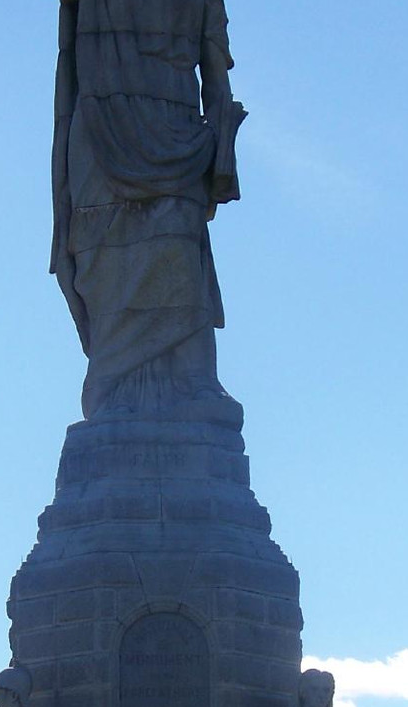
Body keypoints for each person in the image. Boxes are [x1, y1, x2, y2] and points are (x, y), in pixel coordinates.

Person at [50, 0, 246, 419]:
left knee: (178, 252)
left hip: (175, 124)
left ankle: (194, 380)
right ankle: (114, 387)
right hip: (101, 125)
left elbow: (215, 71)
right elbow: (70, 65)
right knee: (103, 255)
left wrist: (222, 148)